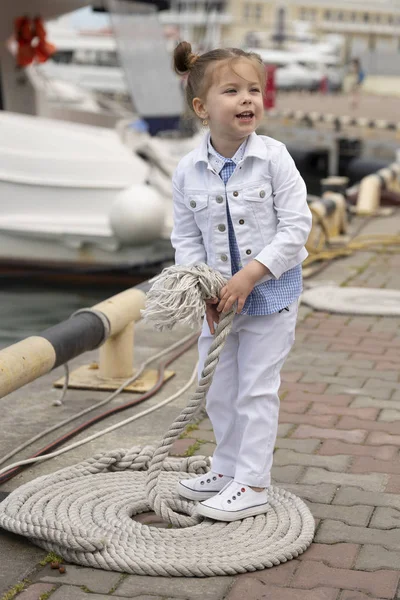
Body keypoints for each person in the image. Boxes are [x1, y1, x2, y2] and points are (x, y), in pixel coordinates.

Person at [171, 41, 312, 522]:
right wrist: (202, 285)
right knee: (218, 388)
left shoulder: (275, 159)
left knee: (255, 388)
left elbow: (296, 227)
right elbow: (185, 235)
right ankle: (227, 465)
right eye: (232, 90)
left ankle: (252, 481)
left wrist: (252, 273)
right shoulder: (187, 170)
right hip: (219, 302)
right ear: (201, 108)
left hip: (270, 294)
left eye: (254, 89)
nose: (247, 99)